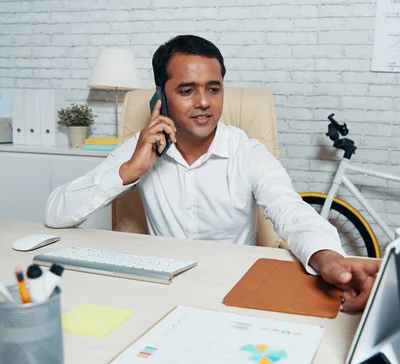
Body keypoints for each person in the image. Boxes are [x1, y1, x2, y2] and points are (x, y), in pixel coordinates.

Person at [45, 35, 380, 312]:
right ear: (161, 96)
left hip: (236, 290)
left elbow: (290, 211)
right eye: (187, 90)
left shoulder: (246, 151)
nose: (204, 102)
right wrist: (130, 170)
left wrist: (328, 259)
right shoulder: (140, 148)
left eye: (214, 88)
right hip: (164, 292)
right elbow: (56, 213)